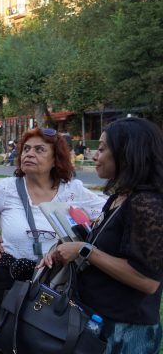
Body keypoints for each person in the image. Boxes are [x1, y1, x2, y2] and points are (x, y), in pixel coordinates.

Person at [0, 127, 107, 353]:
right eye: (26, 149)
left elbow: (105, 216)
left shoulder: (72, 190)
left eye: (39, 150)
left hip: (53, 282)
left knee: (44, 342)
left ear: (56, 158)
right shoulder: (8, 188)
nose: (28, 154)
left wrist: (76, 245)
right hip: (9, 279)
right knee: (5, 342)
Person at [42, 118, 163, 354]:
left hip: (125, 331)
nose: (95, 155)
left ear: (127, 153)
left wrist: (83, 250)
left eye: (102, 148)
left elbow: (147, 281)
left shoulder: (148, 203)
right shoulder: (119, 197)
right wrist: (68, 244)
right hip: (96, 318)